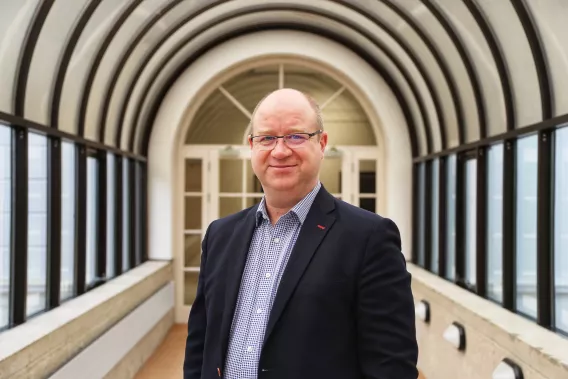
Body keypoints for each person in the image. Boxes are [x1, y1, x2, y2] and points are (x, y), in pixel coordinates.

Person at [183, 88, 418, 379]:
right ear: (252, 146)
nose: (280, 151)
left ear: (322, 143)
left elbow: (391, 367)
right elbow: (199, 346)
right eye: (267, 138)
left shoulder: (369, 238)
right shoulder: (220, 236)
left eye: (295, 136)